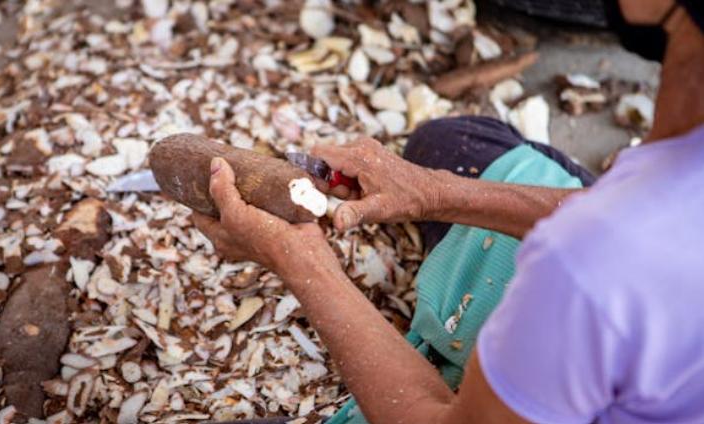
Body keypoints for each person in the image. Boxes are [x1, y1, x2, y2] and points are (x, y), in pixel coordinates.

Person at [193, 0, 704, 422]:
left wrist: (298, 261)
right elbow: (624, 211)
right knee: (450, 144)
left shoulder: (587, 266)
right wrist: (431, 191)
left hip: (576, 334)